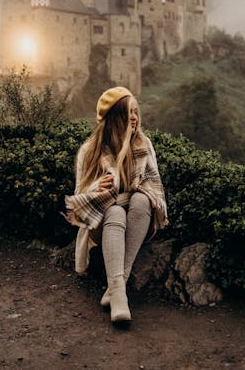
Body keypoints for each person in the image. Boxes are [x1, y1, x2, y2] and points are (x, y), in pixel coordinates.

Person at [65, 86, 168, 323]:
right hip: (103, 224)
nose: (134, 118)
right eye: (128, 112)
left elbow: (155, 191)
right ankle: (119, 297)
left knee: (142, 199)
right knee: (114, 212)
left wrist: (125, 195)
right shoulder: (90, 151)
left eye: (136, 112)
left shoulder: (143, 145)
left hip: (139, 218)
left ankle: (116, 286)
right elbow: (80, 200)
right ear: (113, 116)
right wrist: (96, 188)